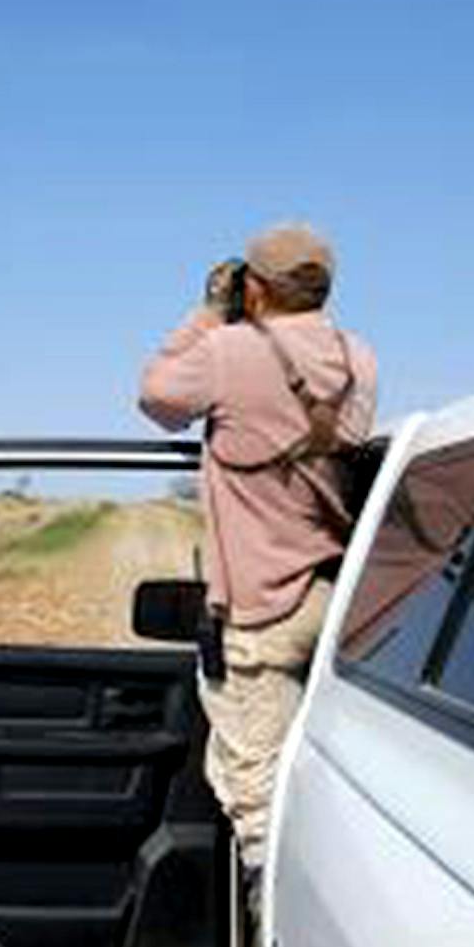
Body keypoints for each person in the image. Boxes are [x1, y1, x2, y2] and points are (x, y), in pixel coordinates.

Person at [138, 222, 379, 899]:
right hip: (334, 596)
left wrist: (211, 311)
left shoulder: (227, 349)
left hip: (259, 610)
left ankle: (281, 940)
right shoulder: (360, 356)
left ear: (257, 286)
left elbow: (157, 397)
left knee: (255, 794)